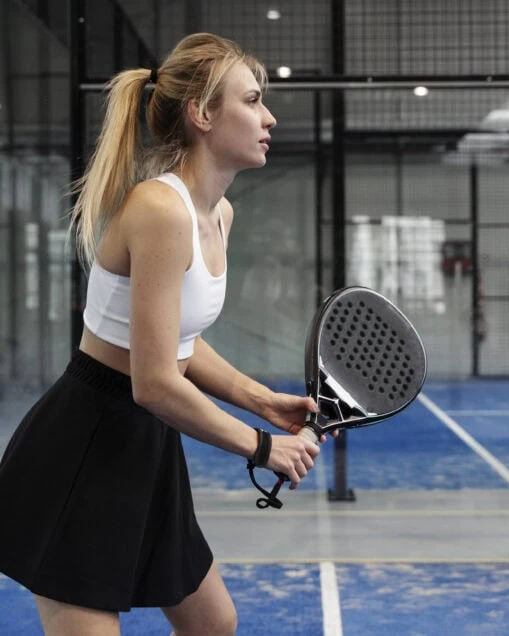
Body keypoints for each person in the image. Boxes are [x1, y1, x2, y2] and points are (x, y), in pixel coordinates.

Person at [0, 33, 324, 635]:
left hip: (146, 445)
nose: (269, 118)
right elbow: (152, 382)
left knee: (212, 624)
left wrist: (260, 399)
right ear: (202, 114)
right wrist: (261, 446)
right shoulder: (160, 210)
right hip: (85, 447)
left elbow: (178, 341)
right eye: (252, 101)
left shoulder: (219, 214)